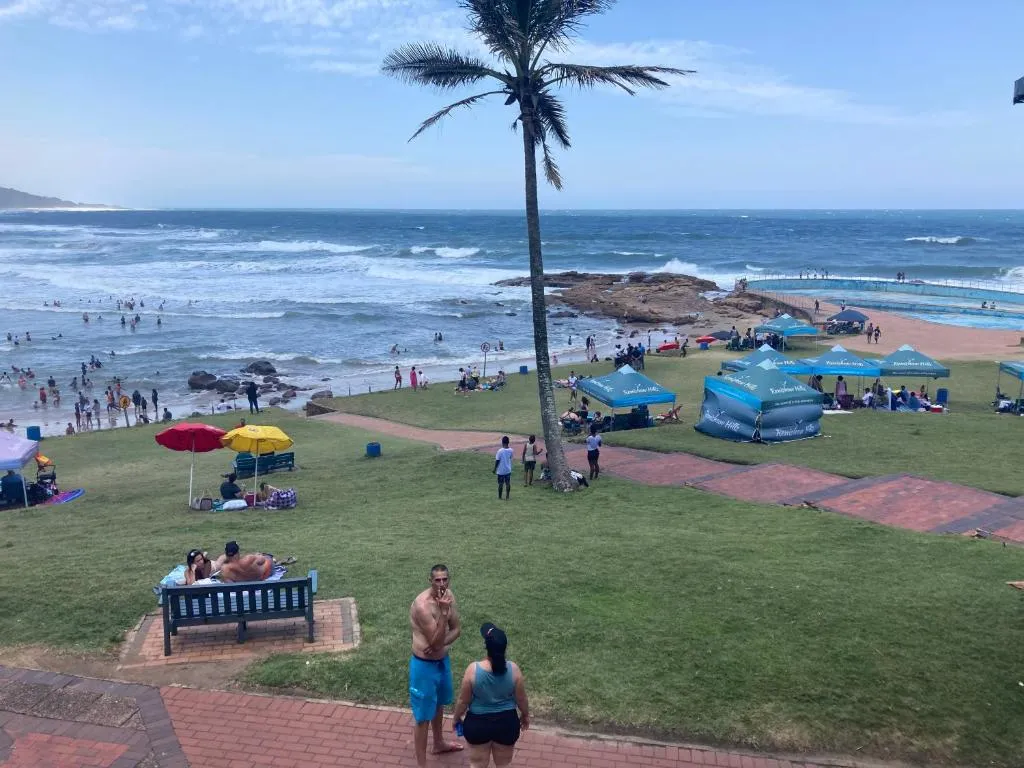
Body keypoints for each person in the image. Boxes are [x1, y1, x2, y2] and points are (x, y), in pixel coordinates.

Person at [452, 623, 530, 768]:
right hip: (506, 725)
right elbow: (522, 699)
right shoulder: (514, 670)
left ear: (486, 646)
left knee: (477, 764)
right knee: (504, 764)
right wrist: (525, 715)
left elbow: (463, 701)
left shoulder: (473, 670)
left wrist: (456, 718)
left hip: (477, 726)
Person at [409, 564, 464, 766]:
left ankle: (439, 743)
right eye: (437, 580)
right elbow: (434, 642)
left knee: (439, 703)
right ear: (429, 580)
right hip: (423, 666)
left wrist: (442, 643)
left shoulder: (448, 595)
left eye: (445, 579)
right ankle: (422, 764)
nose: (442, 584)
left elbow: (457, 629)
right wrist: (442, 613)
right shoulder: (422, 605)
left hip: (441, 662)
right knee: (423, 716)